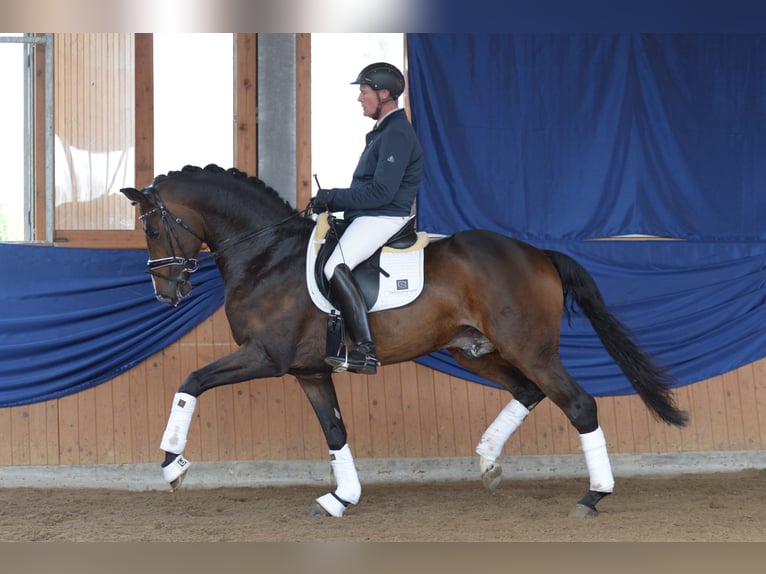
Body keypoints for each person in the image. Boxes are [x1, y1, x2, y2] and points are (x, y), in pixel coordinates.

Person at [311, 62, 423, 375]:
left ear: (385, 94)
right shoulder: (382, 133)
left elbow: (381, 193)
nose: (360, 98)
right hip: (370, 215)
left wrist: (333, 197)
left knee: (335, 265)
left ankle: (365, 350)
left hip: (384, 217)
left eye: (364, 92)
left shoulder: (397, 134)